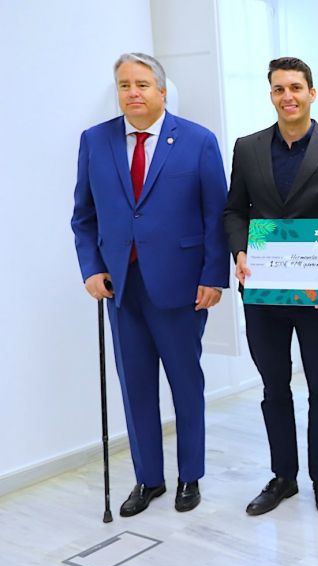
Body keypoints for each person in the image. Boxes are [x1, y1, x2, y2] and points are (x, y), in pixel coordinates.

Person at [71, 52, 229, 516]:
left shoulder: (197, 141)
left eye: (141, 84)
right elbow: (83, 216)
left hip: (181, 287)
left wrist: (213, 276)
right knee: (135, 386)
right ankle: (149, 479)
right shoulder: (95, 141)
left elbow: (215, 215)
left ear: (162, 90)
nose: (133, 92)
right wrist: (91, 268)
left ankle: (189, 476)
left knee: (185, 384)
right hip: (120, 287)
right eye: (124, 85)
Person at [223, 57, 318, 517]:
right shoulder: (247, 148)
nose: (288, 96)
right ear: (271, 95)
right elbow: (234, 211)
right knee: (274, 386)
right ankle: (283, 477)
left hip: (317, 298)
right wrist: (239, 250)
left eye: (296, 88)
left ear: (312, 93)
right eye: (279, 89)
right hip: (262, 293)